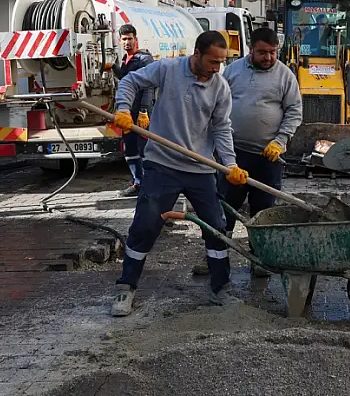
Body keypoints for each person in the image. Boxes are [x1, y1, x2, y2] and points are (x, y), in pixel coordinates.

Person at [110, 31, 249, 316]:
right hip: (163, 166)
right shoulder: (168, 69)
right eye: (212, 61)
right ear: (196, 54)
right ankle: (126, 287)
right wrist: (123, 108)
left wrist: (230, 164)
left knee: (215, 226)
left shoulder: (220, 87)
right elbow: (130, 81)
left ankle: (220, 287)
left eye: (221, 62)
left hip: (200, 169)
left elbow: (222, 128)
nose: (216, 68)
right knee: (146, 225)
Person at [194, 27, 303, 277]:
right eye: (262, 52)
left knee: (263, 211)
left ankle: (259, 258)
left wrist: (280, 140)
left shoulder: (285, 76)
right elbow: (216, 104)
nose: (268, 58)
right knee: (224, 208)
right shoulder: (232, 71)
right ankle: (216, 256)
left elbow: (295, 112)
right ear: (251, 49)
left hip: (268, 157)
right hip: (233, 155)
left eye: (273, 53)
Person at [112, 24, 155, 197]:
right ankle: (137, 183)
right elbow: (125, 80)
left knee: (145, 150)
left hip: (141, 113)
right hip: (127, 112)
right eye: (124, 39)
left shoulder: (144, 59)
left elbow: (149, 86)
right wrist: (113, 68)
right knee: (130, 150)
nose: (127, 42)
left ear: (136, 39)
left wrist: (144, 111)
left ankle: (149, 185)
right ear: (120, 41)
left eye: (130, 39)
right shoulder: (126, 59)